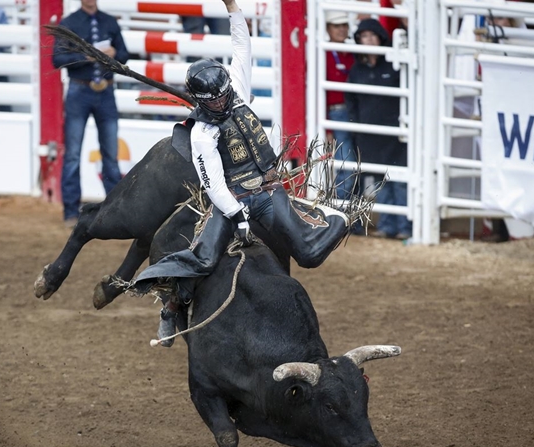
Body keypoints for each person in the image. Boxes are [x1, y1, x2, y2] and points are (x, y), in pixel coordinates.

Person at [134, 0, 351, 342]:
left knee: (308, 255)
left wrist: (233, 8)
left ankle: (333, 216)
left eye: (223, 96)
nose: (222, 103)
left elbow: (241, 46)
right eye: (215, 100)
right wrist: (238, 216)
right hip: (232, 198)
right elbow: (213, 184)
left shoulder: (237, 90)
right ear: (202, 100)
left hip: (267, 190)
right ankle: (171, 305)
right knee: (204, 258)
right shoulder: (202, 134)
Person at [52, 0, 129, 226]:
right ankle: (70, 210)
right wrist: (86, 55)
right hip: (79, 89)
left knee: (111, 153)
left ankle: (115, 210)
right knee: (73, 152)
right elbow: (57, 59)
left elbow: (124, 54)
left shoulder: (109, 21)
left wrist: (114, 53)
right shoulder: (69, 23)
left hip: (104, 91)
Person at [346, 18, 411, 240]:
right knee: (380, 182)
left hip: (394, 133)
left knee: (399, 180)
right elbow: (351, 100)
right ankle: (388, 225)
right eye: (364, 36)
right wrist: (357, 127)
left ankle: (404, 226)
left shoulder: (393, 64)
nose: (369, 39)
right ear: (359, 41)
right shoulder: (356, 70)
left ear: (380, 38)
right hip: (370, 135)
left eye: (372, 35)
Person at [324, 10, 356, 199]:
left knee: (353, 163)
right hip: (337, 113)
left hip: (355, 111)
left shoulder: (353, 52)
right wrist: (327, 124)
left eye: (344, 25)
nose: (342, 30)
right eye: (337, 26)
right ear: (328, 29)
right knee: (347, 164)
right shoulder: (325, 53)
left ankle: (349, 214)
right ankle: (343, 212)